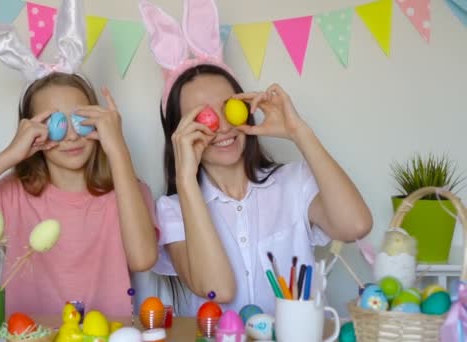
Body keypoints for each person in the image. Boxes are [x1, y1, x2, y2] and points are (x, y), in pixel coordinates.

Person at [0, 0, 157, 316]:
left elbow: (143, 259)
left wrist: (118, 150)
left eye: (80, 120)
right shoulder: (15, 194)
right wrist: (9, 156)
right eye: (55, 124)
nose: (70, 135)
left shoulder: (128, 192)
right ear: (33, 133)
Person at [139, 0, 372, 315]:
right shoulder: (173, 209)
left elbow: (356, 225)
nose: (222, 125)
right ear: (179, 134)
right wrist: (185, 178)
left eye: (229, 107)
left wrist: (299, 132)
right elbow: (216, 289)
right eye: (203, 117)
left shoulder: (293, 182)